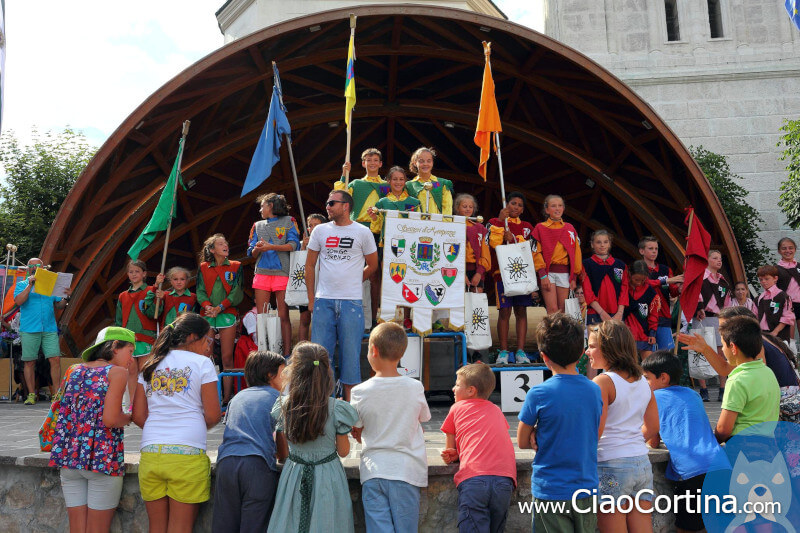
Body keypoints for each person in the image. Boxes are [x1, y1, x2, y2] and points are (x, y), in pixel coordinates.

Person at [132, 313, 222, 533]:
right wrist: (191, 427)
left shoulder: (149, 364)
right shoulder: (202, 364)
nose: (209, 347)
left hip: (151, 452)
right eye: (207, 341)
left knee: (157, 528)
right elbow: (213, 414)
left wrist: (160, 428)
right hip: (187, 454)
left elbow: (138, 415)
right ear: (192, 337)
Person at [517, 313, 602, 532]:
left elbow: (522, 441)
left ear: (544, 357)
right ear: (581, 354)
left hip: (551, 490)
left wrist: (536, 430)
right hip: (586, 489)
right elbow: (594, 432)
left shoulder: (538, 393)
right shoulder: (594, 390)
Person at [50, 327, 135, 533]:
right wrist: (129, 417)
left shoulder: (74, 370)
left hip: (70, 458)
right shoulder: (118, 373)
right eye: (130, 351)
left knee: (77, 529)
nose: (131, 359)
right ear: (115, 346)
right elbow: (111, 419)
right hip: (101, 458)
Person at [268, 342, 359, 533]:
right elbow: (343, 452)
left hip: (294, 474)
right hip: (328, 476)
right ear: (327, 373)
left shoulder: (285, 405)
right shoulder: (336, 409)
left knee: (291, 522)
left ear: (294, 372)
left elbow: (282, 449)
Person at [350, 322, 431, 533]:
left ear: (373, 350)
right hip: (406, 470)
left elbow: (356, 428)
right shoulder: (415, 387)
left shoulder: (359, 391)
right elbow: (422, 418)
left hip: (373, 470)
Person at [641, 351, 728, 533]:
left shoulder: (654, 398)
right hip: (720, 465)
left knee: (685, 528)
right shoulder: (693, 394)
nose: (644, 383)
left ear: (663, 378)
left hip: (692, 472)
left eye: (646, 378)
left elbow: (652, 439)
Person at [305, 190, 378, 401]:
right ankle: (323, 407)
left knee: (350, 358)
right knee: (319, 358)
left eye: (331, 203)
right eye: (327, 202)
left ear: (346, 206)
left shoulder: (362, 232)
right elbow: (309, 266)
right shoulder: (320, 230)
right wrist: (311, 300)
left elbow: (373, 265)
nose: (327, 206)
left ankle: (349, 410)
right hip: (323, 301)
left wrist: (355, 279)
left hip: (351, 303)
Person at [587, 320, 659, 533]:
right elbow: (653, 426)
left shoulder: (602, 382)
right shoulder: (643, 382)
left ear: (608, 348)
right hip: (641, 463)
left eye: (592, 346)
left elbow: (595, 432)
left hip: (610, 464)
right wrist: (632, 441)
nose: (587, 351)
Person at [212, 350, 286, 533]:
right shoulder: (278, 399)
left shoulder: (237, 398)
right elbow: (281, 439)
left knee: (225, 525)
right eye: (283, 373)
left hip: (226, 463)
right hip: (256, 465)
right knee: (255, 525)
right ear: (270, 375)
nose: (286, 379)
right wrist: (282, 455)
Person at [441, 363, 517, 533]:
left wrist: (452, 454)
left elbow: (449, 449)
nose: (453, 388)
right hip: (504, 480)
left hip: (474, 479)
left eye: (457, 384)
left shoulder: (456, 408)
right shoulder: (497, 410)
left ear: (471, 391)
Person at [247, 193, 301, 356]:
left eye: (262, 205)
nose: (260, 209)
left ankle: (286, 354)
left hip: (282, 272)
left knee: (283, 314)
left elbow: (294, 245)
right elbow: (251, 253)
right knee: (261, 315)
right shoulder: (257, 225)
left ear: (270, 206)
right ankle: (263, 353)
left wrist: (271, 247)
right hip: (262, 273)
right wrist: (257, 248)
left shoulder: (289, 221)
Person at [337, 148, 387, 324]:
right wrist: (344, 174)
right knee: (352, 270)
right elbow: (340, 196)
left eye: (375, 160)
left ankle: (373, 319)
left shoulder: (386, 186)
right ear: (363, 163)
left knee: (375, 275)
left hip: (378, 232)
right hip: (357, 230)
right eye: (368, 160)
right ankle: (351, 314)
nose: (372, 163)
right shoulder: (356, 184)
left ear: (380, 164)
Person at [13, 258, 72, 405]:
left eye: (37, 265)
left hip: (49, 328)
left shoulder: (51, 285)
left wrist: (66, 296)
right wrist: (30, 285)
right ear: (28, 269)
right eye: (31, 266)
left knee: (55, 359)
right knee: (29, 361)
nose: (34, 268)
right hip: (29, 328)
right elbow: (19, 301)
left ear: (43, 267)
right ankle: (31, 394)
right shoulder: (21, 284)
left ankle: (57, 394)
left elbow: (59, 305)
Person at [714, 315, 780, 442]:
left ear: (733, 347)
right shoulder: (768, 372)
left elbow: (724, 429)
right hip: (769, 444)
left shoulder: (737, 380)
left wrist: (712, 440)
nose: (722, 349)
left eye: (723, 345)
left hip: (743, 447)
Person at [487, 192, 535, 364]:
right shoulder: (493, 222)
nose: (516, 207)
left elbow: (530, 249)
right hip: (502, 274)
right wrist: (501, 223)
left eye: (520, 205)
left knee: (521, 311)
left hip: (522, 273)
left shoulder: (527, 226)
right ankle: (504, 352)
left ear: (523, 210)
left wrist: (513, 238)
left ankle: (521, 352)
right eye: (513, 203)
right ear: (506, 204)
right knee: (505, 312)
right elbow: (492, 243)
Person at [196, 234, 243, 404]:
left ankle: (225, 399)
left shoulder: (236, 266)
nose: (225, 246)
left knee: (226, 357)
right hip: (208, 314)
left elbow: (236, 292)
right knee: (205, 356)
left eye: (226, 243)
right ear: (212, 249)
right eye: (221, 243)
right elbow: (200, 291)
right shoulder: (203, 267)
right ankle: (206, 397)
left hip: (227, 314)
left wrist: (220, 307)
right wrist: (208, 306)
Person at [532, 194, 582, 314]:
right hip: (548, 273)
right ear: (547, 210)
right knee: (552, 310)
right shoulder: (540, 228)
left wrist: (574, 277)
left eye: (560, 206)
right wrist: (543, 275)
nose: (557, 208)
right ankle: (553, 333)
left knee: (563, 309)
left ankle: (561, 333)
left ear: (564, 209)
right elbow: (536, 252)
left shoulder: (570, 228)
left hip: (564, 274)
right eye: (553, 206)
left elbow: (577, 254)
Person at [692, 249, 730, 401]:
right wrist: (699, 307)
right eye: (714, 258)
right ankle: (703, 389)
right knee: (700, 352)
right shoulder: (700, 277)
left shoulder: (723, 281)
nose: (718, 261)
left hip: (718, 319)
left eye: (720, 258)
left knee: (721, 353)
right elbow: (694, 295)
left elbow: (726, 303)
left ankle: (722, 388)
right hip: (702, 317)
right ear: (707, 260)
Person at [638, 236, 683, 351]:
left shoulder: (665, 269)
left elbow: (672, 292)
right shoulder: (637, 268)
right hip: (644, 317)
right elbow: (644, 284)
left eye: (656, 249)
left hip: (663, 316)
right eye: (650, 248)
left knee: (665, 354)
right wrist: (666, 280)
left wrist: (679, 289)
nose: (654, 251)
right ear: (641, 251)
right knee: (648, 354)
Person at [116, 260, 158, 372]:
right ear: (127, 274)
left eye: (137, 271)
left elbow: (154, 314)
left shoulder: (151, 291)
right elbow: (119, 320)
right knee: (131, 372)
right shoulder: (122, 296)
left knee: (145, 371)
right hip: (128, 339)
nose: (134, 274)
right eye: (131, 272)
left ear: (144, 273)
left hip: (146, 337)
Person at [582, 230, 628, 326]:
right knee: (595, 341)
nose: (602, 245)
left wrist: (620, 313)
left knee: (616, 341)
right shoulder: (586, 264)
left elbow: (624, 290)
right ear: (592, 244)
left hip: (617, 315)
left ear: (610, 244)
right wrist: (602, 312)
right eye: (598, 242)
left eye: (605, 242)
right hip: (595, 312)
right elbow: (587, 292)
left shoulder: (620, 265)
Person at [624, 260, 662, 360]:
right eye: (636, 279)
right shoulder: (623, 289)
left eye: (643, 280)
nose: (639, 283)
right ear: (629, 274)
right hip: (626, 334)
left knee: (648, 366)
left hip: (644, 334)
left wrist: (652, 334)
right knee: (628, 366)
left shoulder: (651, 293)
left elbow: (653, 315)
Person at [298, 213, 327, 342]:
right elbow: (298, 262)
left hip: (322, 285)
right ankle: (301, 349)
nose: (313, 228)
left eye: (316, 225)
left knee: (321, 319)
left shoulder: (328, 240)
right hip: (307, 286)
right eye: (310, 225)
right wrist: (304, 246)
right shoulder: (303, 243)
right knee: (304, 318)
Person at [454, 194, 490, 294]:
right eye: (464, 206)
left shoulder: (480, 228)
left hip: (476, 270)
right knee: (460, 299)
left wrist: (479, 273)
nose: (468, 209)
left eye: (471, 207)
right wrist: (461, 273)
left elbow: (485, 253)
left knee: (476, 301)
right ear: (457, 208)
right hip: (458, 269)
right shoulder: (452, 226)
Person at [405, 147, 454, 215]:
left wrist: (445, 224)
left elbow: (447, 208)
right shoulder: (409, 185)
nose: (425, 164)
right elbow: (407, 208)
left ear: (432, 163)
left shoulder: (443, 184)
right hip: (416, 224)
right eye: (421, 161)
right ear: (415, 163)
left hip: (438, 223)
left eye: (429, 161)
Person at [755, 264, 795, 342]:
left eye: (767, 279)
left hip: (779, 336)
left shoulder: (783, 296)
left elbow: (787, 317)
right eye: (761, 279)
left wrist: (775, 332)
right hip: (763, 335)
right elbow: (755, 317)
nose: (763, 282)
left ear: (775, 278)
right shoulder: (758, 299)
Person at [776, 237, 800, 339]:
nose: (788, 251)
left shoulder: (799, 266)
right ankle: (790, 354)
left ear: (795, 249)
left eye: (791, 248)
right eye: (784, 248)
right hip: (786, 305)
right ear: (779, 251)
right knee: (789, 338)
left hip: (799, 303)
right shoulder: (776, 269)